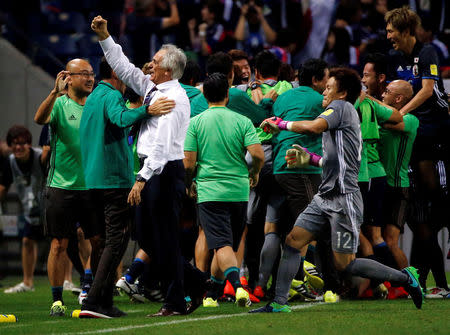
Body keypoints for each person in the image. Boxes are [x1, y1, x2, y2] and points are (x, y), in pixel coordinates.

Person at [251, 67, 423, 313]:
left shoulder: (340, 108)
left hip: (344, 199)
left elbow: (312, 127)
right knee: (292, 240)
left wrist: (281, 124)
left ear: (342, 93)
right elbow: (335, 161)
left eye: (329, 88)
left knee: (346, 265)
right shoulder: (340, 115)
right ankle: (279, 303)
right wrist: (309, 159)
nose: (324, 91)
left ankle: (407, 279)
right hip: (325, 196)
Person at [92, 15, 209, 317]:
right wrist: (105, 36)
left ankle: (175, 300)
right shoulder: (152, 89)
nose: (149, 65)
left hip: (163, 173)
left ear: (168, 69)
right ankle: (197, 283)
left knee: (164, 239)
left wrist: (141, 179)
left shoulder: (174, 98)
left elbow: (162, 143)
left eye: (155, 62)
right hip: (152, 172)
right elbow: (123, 67)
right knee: (149, 239)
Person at [78, 58, 173, 318]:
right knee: (116, 241)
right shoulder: (110, 96)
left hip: (93, 180)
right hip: (112, 180)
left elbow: (112, 126)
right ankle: (94, 301)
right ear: (116, 73)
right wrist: (148, 111)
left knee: (104, 243)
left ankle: (102, 301)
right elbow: (119, 118)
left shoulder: (94, 97)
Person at [184, 72, 264, 308]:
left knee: (220, 245)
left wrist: (190, 181)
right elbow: (258, 154)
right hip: (239, 190)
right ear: (227, 95)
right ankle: (212, 293)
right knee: (229, 243)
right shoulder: (242, 121)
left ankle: (238, 287)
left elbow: (188, 162)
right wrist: (255, 172)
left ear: (205, 95)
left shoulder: (196, 122)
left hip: (210, 190)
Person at [385, 6, 450, 292]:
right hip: (410, 135)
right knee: (421, 214)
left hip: (432, 131)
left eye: (391, 31)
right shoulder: (393, 59)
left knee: (434, 195)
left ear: (406, 30)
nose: (388, 36)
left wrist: (400, 115)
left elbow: (426, 90)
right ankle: (426, 277)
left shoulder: (427, 53)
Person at [253, 59, 329, 299]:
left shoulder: (284, 98)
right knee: (308, 227)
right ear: (316, 80)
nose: (328, 85)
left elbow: (272, 127)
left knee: (273, 229)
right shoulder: (321, 102)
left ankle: (260, 285)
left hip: (276, 168)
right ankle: (299, 278)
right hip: (302, 168)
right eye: (326, 79)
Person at [34, 59, 104, 317]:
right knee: (59, 245)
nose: (89, 78)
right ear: (68, 77)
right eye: (83, 74)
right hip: (61, 187)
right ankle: (56, 300)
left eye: (91, 73)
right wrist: (54, 92)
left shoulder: (97, 104)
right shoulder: (60, 104)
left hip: (92, 187)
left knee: (98, 242)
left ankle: (89, 289)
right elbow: (39, 119)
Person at [378, 80, 419, 269]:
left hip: (397, 187)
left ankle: (410, 284)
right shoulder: (380, 115)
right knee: (375, 237)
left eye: (387, 91)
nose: (383, 95)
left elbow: (390, 124)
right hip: (377, 184)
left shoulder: (410, 119)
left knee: (390, 241)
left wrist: (366, 98)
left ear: (399, 98)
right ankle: (382, 285)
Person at [1, 126, 46, 294]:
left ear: (29, 144)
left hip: (49, 208)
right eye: (14, 144)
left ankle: (68, 280)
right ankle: (28, 282)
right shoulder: (10, 162)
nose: (18, 147)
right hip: (30, 210)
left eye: (22, 143)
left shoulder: (41, 157)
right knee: (27, 241)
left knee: (61, 243)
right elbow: (3, 186)